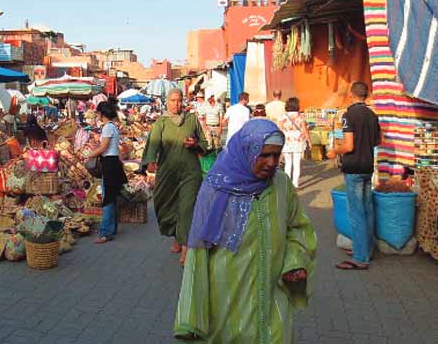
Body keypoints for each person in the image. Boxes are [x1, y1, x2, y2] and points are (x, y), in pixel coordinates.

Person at [174, 119, 317, 343]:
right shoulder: (216, 187)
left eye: (276, 154)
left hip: (272, 297)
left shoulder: (282, 185)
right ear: (246, 151)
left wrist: (294, 262)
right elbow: (198, 254)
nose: (272, 162)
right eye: (264, 154)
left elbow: (298, 228)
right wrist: (192, 315)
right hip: (226, 303)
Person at [142, 88, 208, 265]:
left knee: (187, 207)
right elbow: (153, 143)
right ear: (167, 101)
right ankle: (177, 235)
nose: (176, 104)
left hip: (190, 171)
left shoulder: (192, 119)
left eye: (179, 100)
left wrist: (195, 144)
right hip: (167, 171)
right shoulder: (161, 122)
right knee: (163, 204)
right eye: (172, 100)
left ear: (183, 102)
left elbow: (204, 143)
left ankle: (186, 249)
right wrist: (150, 161)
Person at [326, 82, 380, 270]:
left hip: (354, 168)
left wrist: (335, 151)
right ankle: (365, 248)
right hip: (367, 167)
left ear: (351, 94)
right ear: (366, 94)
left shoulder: (349, 115)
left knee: (357, 213)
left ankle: (360, 257)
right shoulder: (373, 116)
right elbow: (376, 141)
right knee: (368, 209)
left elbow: (349, 146)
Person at [84, 98, 128, 243]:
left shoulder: (108, 127)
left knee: (108, 198)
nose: (97, 116)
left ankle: (105, 232)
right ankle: (112, 228)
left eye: (98, 114)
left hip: (109, 164)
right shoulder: (113, 126)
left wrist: (89, 155)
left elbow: (103, 148)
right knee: (112, 197)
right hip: (113, 162)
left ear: (102, 114)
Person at [277, 97, 311, 189]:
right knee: (296, 163)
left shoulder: (282, 116)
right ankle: (295, 184)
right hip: (298, 140)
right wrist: (309, 141)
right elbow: (304, 130)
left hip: (286, 140)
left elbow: (280, 130)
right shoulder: (300, 116)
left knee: (288, 163)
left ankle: (287, 183)